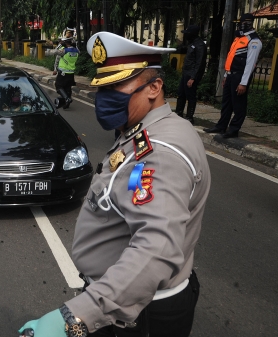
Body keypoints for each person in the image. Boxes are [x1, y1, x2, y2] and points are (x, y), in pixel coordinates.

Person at [19, 31, 211, 337]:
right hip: (123, 300)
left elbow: (155, 249)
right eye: (103, 87)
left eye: (117, 85)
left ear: (154, 87)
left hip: (138, 313)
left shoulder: (158, 153)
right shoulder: (140, 130)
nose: (106, 96)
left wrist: (74, 317)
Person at [204, 13, 262, 138]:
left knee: (238, 104)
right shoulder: (239, 38)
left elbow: (250, 64)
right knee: (226, 103)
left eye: (243, 23)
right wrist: (226, 75)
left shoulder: (254, 40)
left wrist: (243, 83)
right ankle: (221, 126)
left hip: (240, 76)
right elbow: (231, 58)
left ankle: (234, 129)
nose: (240, 25)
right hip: (231, 75)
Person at [175, 25, 207, 125]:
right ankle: (178, 113)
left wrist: (193, 77)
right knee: (181, 94)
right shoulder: (192, 43)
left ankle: (189, 117)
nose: (185, 36)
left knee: (190, 96)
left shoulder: (200, 45)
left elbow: (200, 63)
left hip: (192, 74)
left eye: (187, 34)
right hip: (186, 73)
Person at [53, 28, 78, 109]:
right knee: (67, 88)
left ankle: (66, 99)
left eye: (63, 42)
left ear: (66, 43)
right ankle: (67, 103)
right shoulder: (76, 51)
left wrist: (60, 45)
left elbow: (55, 53)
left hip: (63, 73)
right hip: (71, 73)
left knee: (58, 86)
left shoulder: (64, 51)